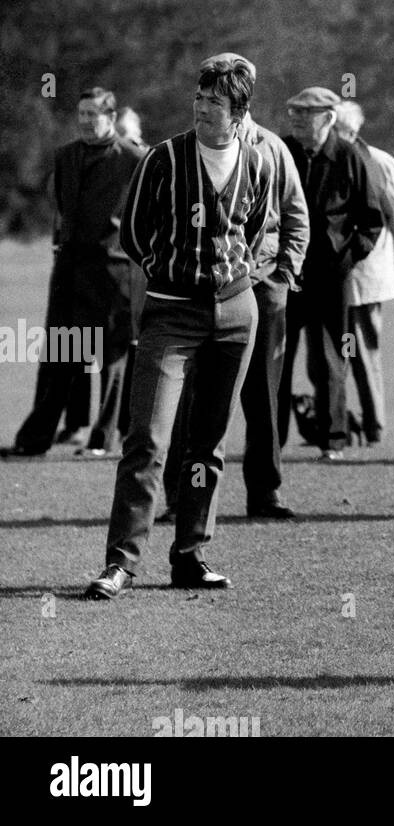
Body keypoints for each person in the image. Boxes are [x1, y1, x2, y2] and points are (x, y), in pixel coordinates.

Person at [83, 59, 273, 600]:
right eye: (199, 95)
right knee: (147, 439)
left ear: (239, 111)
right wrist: (177, 278)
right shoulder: (162, 159)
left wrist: (228, 283)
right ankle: (120, 562)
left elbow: (255, 232)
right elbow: (137, 234)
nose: (202, 105)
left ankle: (190, 555)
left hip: (237, 315)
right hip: (171, 314)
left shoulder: (258, 165)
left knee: (207, 444)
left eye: (214, 99)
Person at [160, 53, 310, 521]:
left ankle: (265, 495)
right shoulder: (186, 149)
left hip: (262, 289)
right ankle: (177, 496)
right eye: (205, 92)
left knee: (264, 397)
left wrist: (284, 275)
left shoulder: (270, 149)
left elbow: (295, 217)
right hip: (201, 290)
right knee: (190, 397)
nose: (208, 103)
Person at [2, 88, 145, 460]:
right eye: (81, 114)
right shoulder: (65, 156)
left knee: (110, 362)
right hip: (70, 272)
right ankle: (34, 441)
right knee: (63, 358)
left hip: (113, 275)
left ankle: (102, 440)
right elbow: (61, 207)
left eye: (92, 115)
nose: (84, 121)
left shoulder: (135, 158)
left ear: (111, 118)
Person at [280, 86, 384, 460]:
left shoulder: (349, 156)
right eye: (293, 113)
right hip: (284, 276)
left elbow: (372, 220)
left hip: (330, 277)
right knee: (277, 359)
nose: (296, 120)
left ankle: (333, 439)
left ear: (328, 118)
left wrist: (346, 258)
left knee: (331, 358)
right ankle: (271, 441)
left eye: (305, 114)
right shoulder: (281, 152)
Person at [333, 101, 394, 446]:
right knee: (329, 355)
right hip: (329, 276)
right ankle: (335, 426)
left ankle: (373, 426)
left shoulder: (379, 163)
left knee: (363, 353)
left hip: (366, 275)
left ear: (350, 131)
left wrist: (383, 251)